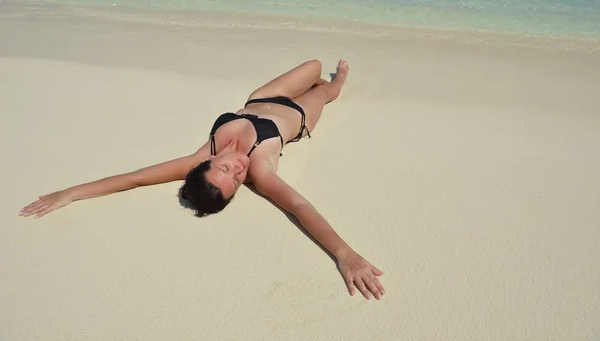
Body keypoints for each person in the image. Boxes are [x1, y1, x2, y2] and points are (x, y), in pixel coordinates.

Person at [19, 59, 385, 300]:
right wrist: (344, 253)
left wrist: (70, 193)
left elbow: (135, 178)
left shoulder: (200, 154)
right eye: (237, 182)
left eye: (226, 169)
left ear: (207, 164)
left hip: (260, 98)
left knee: (313, 64)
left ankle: (323, 77)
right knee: (325, 87)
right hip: (298, 116)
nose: (239, 171)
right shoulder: (259, 168)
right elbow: (300, 207)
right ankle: (338, 83)